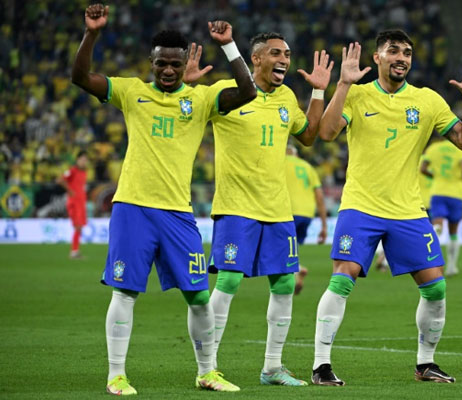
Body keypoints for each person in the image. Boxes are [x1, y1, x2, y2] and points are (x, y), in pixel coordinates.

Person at [71, 4, 256, 395]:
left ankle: (207, 372)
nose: (168, 70)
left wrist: (229, 46)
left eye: (174, 63)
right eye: (161, 64)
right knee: (125, 290)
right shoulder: (130, 91)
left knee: (199, 296)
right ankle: (116, 375)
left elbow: (247, 91)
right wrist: (91, 34)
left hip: (177, 212)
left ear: (184, 60)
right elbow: (80, 76)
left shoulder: (202, 99)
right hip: (133, 207)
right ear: (151, 63)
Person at [312, 30, 462, 385]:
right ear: (377, 57)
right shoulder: (358, 95)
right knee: (343, 277)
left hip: (408, 210)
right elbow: (326, 132)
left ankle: (425, 363)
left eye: (407, 52)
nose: (401, 57)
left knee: (436, 288)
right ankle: (321, 365)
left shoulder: (427, 101)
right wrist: (343, 84)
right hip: (360, 206)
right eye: (393, 51)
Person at [185, 32, 333, 386]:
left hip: (278, 209)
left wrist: (317, 92)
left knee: (284, 283)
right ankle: (209, 366)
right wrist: (188, 90)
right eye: (276, 53)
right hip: (236, 206)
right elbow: (188, 115)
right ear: (256, 59)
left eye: (287, 53)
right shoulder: (227, 92)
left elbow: (309, 135)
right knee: (230, 279)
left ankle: (272, 367)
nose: (284, 59)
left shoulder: (285, 96)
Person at [421, 136, 462, 276]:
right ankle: (452, 266)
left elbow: (423, 169)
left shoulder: (432, 148)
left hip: (438, 191)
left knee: (437, 224)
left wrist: (435, 177)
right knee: (453, 232)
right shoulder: (460, 148)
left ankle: (430, 259)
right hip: (456, 192)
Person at [284, 144, 328, 294]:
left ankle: (297, 270)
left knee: (277, 247)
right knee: (290, 247)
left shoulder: (279, 162)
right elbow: (320, 197)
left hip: (286, 212)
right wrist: (324, 226)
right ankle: (296, 269)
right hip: (307, 214)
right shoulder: (308, 167)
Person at [57, 150, 89, 259]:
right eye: (82, 160)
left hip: (81, 203)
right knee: (78, 226)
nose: (84, 162)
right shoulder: (72, 171)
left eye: (85, 160)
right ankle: (74, 252)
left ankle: (75, 250)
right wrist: (70, 191)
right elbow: (60, 180)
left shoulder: (84, 172)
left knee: (79, 227)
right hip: (74, 203)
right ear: (77, 160)